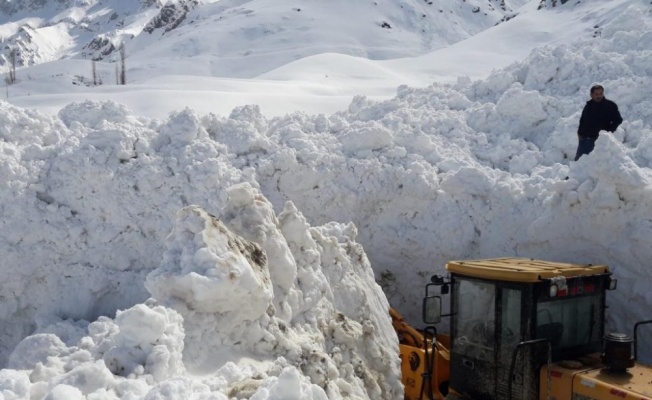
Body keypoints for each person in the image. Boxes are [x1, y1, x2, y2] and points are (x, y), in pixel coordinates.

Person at [574, 85, 623, 161]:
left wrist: (608, 131)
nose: (599, 96)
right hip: (585, 140)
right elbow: (582, 120)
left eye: (601, 93)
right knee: (579, 164)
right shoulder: (588, 106)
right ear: (591, 95)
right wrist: (580, 133)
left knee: (598, 164)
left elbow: (618, 120)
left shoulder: (610, 106)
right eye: (596, 94)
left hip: (599, 141)